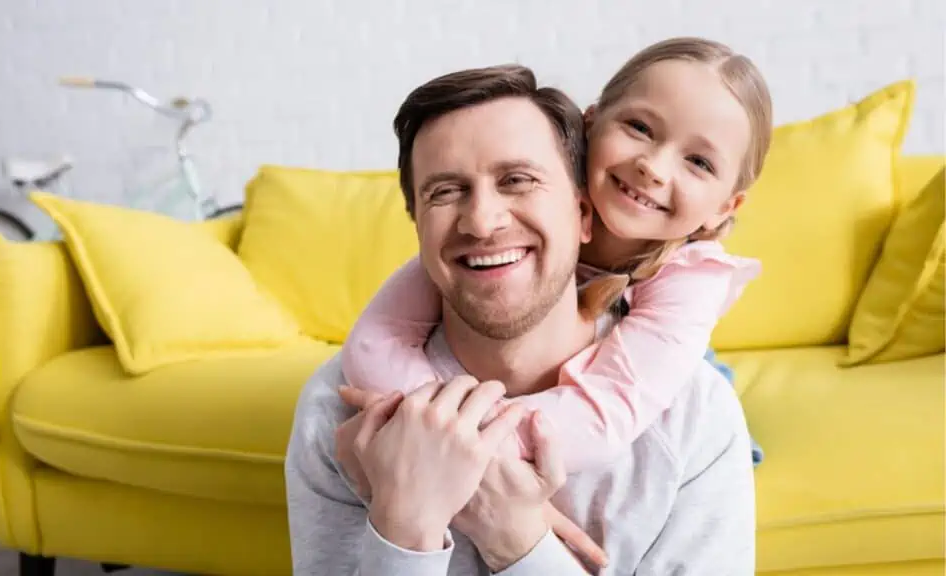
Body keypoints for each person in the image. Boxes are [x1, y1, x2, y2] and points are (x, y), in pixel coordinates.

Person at [284, 61, 756, 575]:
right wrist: (405, 525)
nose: (483, 221)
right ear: (417, 224)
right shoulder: (338, 410)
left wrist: (517, 538)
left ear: (583, 212)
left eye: (517, 180)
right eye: (445, 191)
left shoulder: (695, 416)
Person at [340, 37, 772, 472]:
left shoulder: (692, 280)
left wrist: (461, 447)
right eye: (640, 128)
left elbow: (601, 420)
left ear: (724, 207)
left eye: (699, 162)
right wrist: (428, 420)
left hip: (647, 396)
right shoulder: (499, 229)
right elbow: (374, 344)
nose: (653, 168)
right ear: (591, 122)